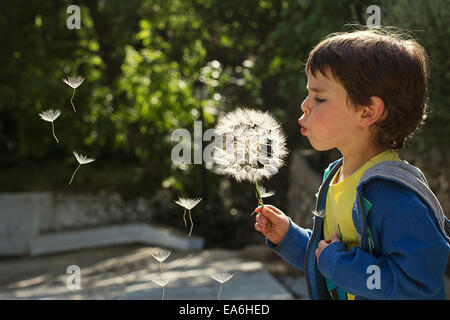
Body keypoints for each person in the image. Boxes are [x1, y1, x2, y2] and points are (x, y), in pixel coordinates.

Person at [254, 28, 450, 300]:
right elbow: (329, 258)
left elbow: (417, 285)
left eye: (319, 98)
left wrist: (337, 262)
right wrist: (290, 237)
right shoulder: (334, 176)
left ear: (367, 111)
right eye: (308, 94)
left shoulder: (393, 195)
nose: (305, 105)